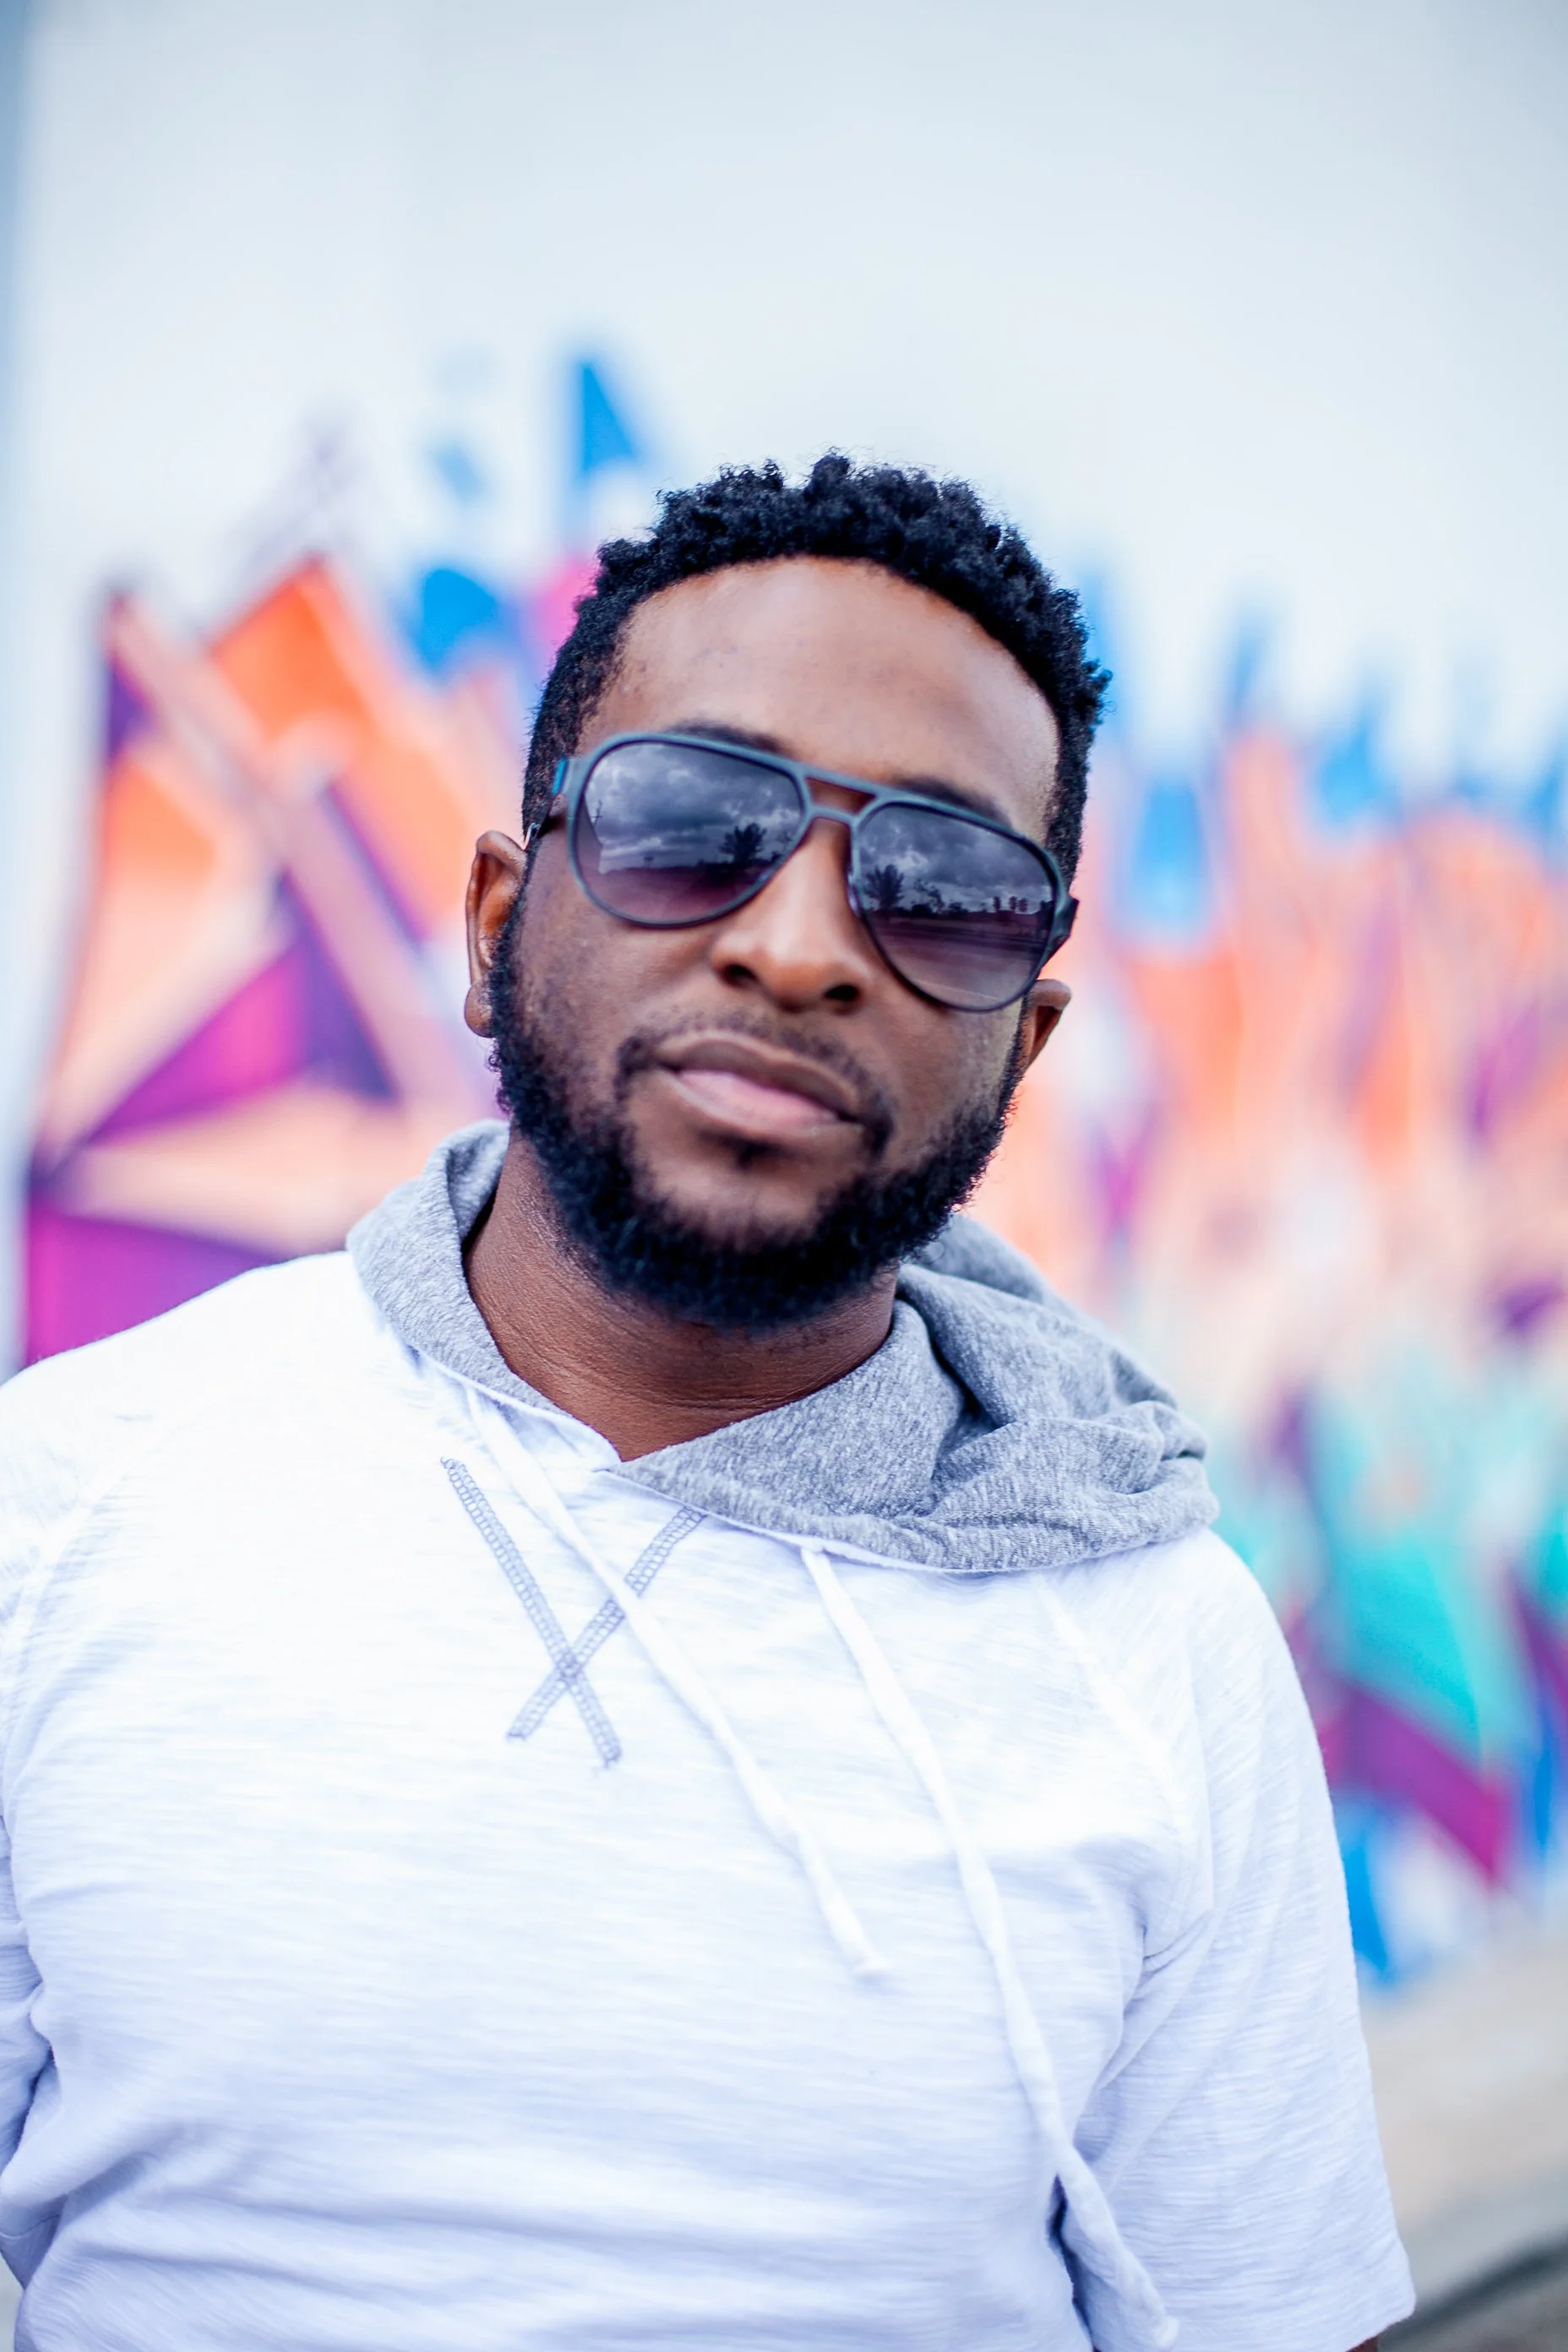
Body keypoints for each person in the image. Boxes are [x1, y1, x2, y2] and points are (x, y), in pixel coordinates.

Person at [0, 456, 1413, 2350]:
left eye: (942, 885)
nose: (802, 944)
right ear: (500, 918)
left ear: (1028, 1035)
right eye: (692, 821)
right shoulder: (71, 1503)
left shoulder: (1156, 1647)